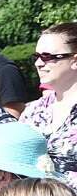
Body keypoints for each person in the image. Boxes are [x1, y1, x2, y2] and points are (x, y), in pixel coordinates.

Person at [21, 22, 77, 186]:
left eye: (47, 57)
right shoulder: (33, 111)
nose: (38, 63)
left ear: (74, 60)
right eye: (36, 56)